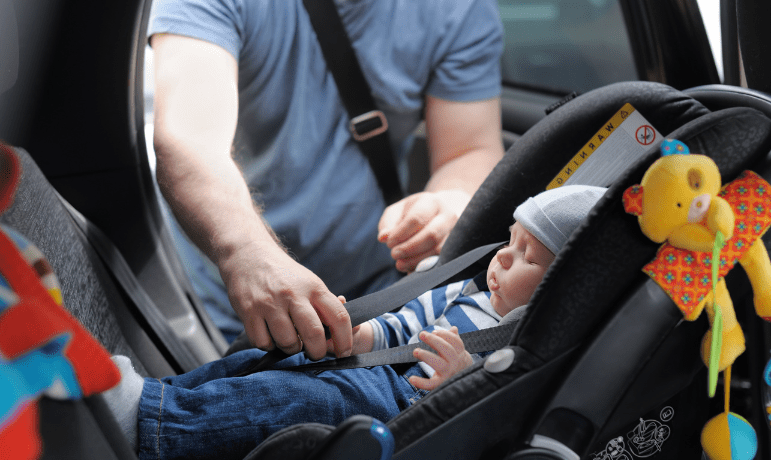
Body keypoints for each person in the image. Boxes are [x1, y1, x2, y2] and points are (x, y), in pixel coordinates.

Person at [102, 185, 607, 460]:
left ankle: (152, 427)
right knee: (262, 360)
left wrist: (458, 378)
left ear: (558, 286)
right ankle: (159, 397)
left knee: (302, 400)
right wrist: (360, 333)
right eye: (509, 242)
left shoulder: (524, 341)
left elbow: (493, 404)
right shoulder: (466, 290)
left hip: (405, 402)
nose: (502, 260)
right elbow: (405, 324)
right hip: (375, 366)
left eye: (528, 259)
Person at [147, 0, 506, 358]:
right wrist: (244, 251)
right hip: (221, 299)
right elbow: (188, 141)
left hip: (375, 302)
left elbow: (470, 150)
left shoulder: (459, 9)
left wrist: (451, 201)